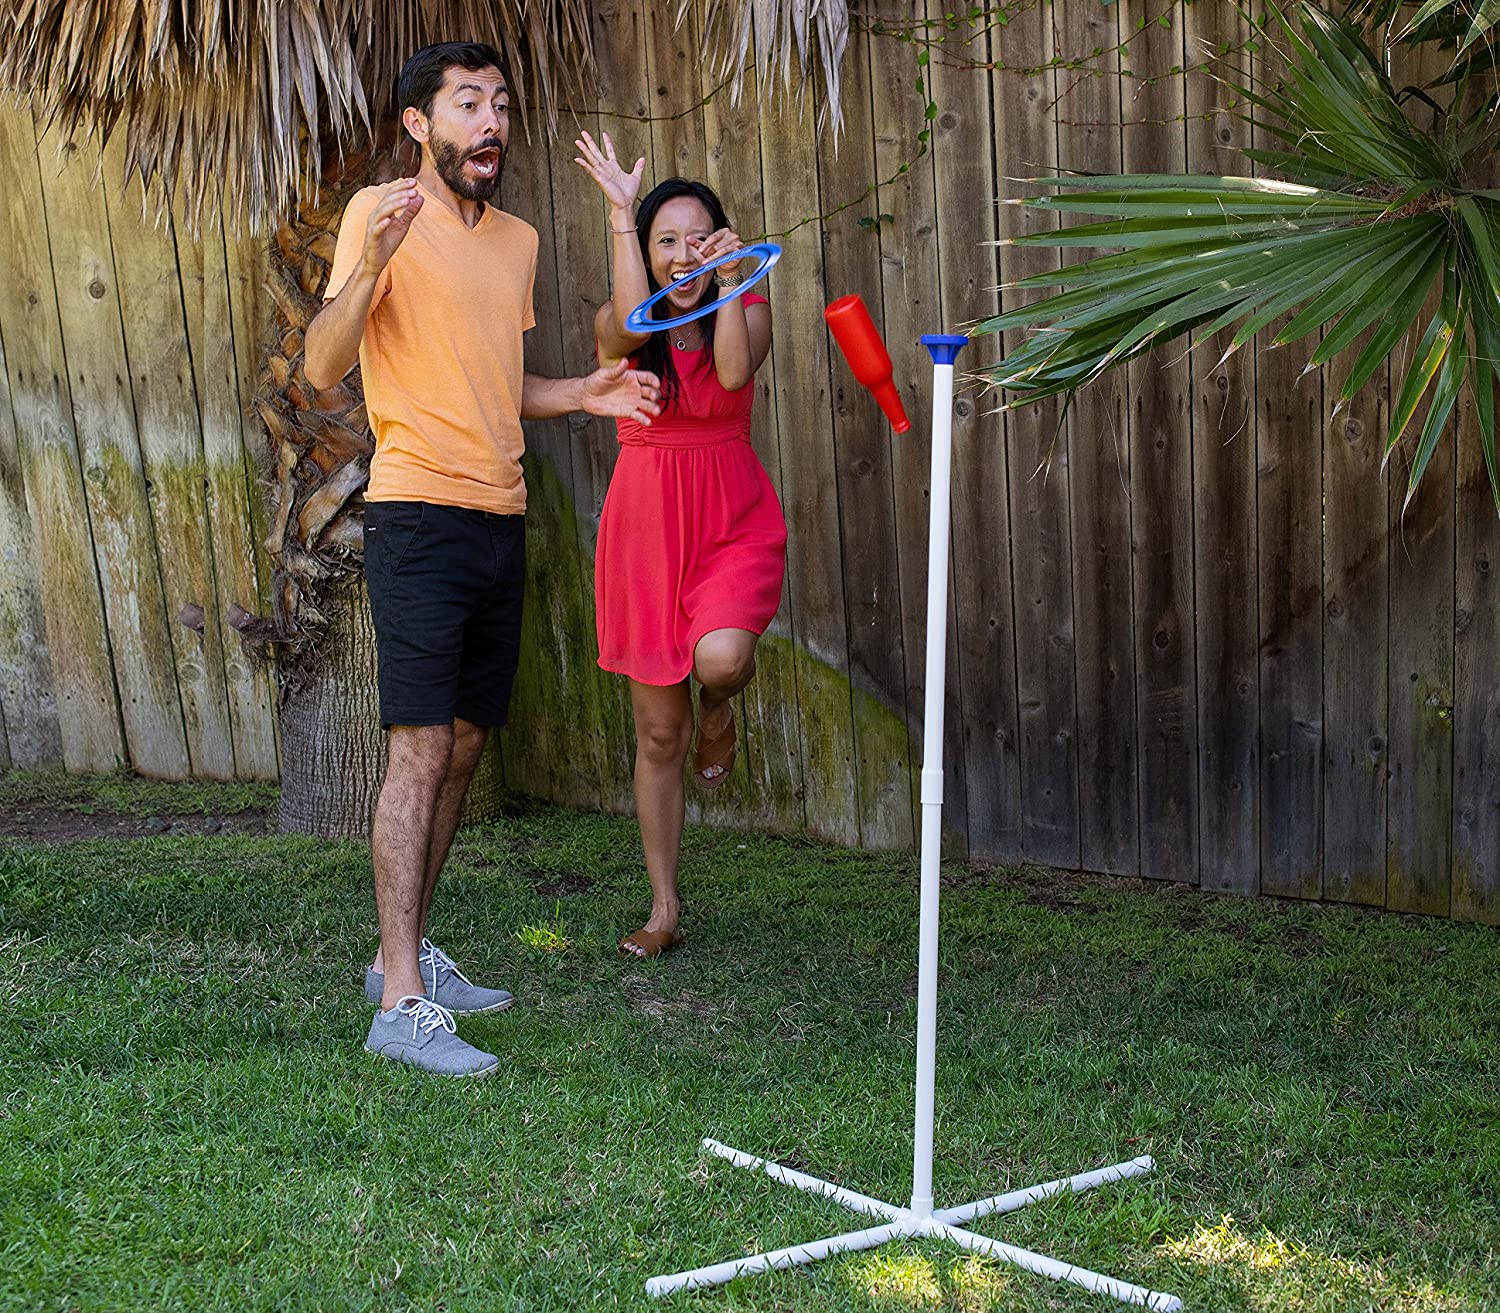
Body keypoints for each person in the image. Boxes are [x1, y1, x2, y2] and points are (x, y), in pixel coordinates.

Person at [304, 45, 661, 1076]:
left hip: (498, 517)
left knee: (462, 745)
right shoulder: (379, 213)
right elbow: (326, 366)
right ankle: (400, 1005)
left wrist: (583, 393)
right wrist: (372, 260)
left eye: (501, 103)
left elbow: (498, 383)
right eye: (470, 103)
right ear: (420, 124)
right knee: (419, 749)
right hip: (417, 516)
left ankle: (397, 956)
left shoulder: (516, 241)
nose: (492, 120)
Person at [573, 131, 787, 960]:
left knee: (722, 660)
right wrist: (622, 215)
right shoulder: (617, 328)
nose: (682, 253)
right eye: (667, 240)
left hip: (729, 515)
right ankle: (664, 906)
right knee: (658, 735)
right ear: (647, 251)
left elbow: (733, 376)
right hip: (646, 529)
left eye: (698, 236)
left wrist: (729, 282)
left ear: (724, 240)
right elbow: (629, 319)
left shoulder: (748, 309)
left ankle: (724, 707)